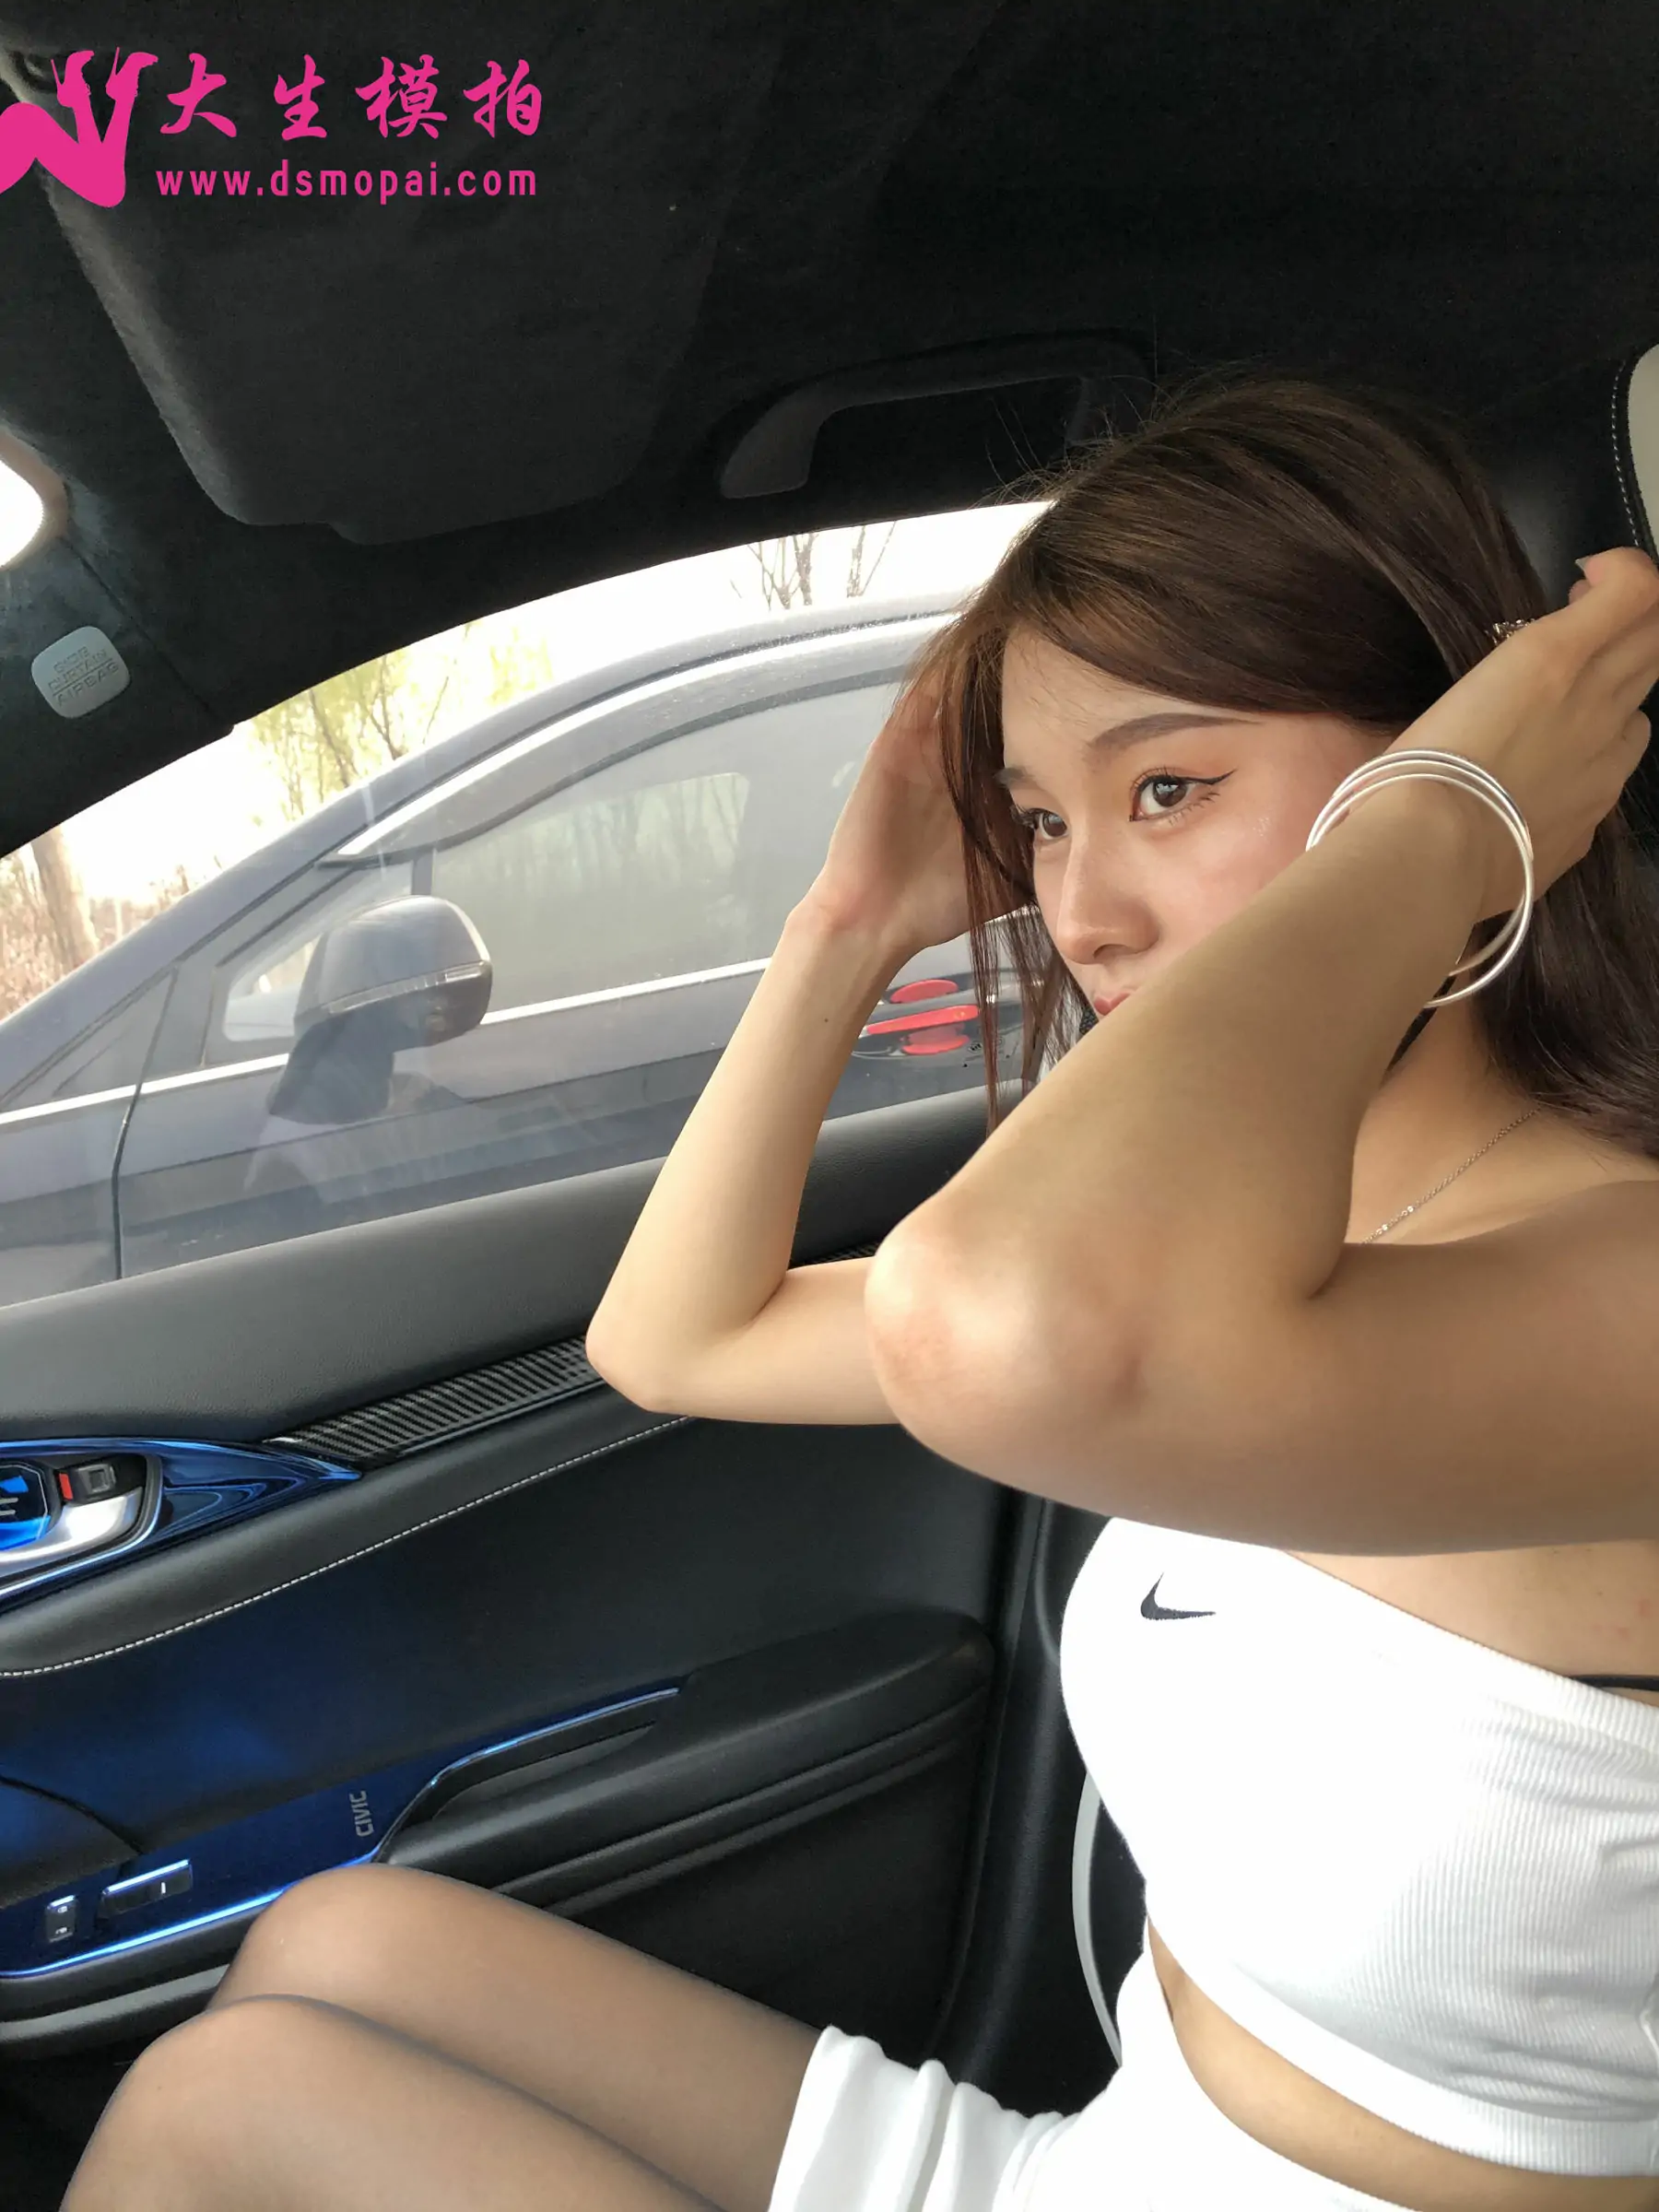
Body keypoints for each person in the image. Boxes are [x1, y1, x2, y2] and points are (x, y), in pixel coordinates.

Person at [63, 371, 1659, 2212]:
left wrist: (1454, 827)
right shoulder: (1263, 1236)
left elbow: (1008, 1321)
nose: (1082, 911)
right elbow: (674, 1339)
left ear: (1467, 757)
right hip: (1108, 2167)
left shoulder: (1608, 1276)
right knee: (340, 1941)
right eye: (1042, 824)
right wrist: (849, 922)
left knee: (231, 2106)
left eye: (1167, 788)